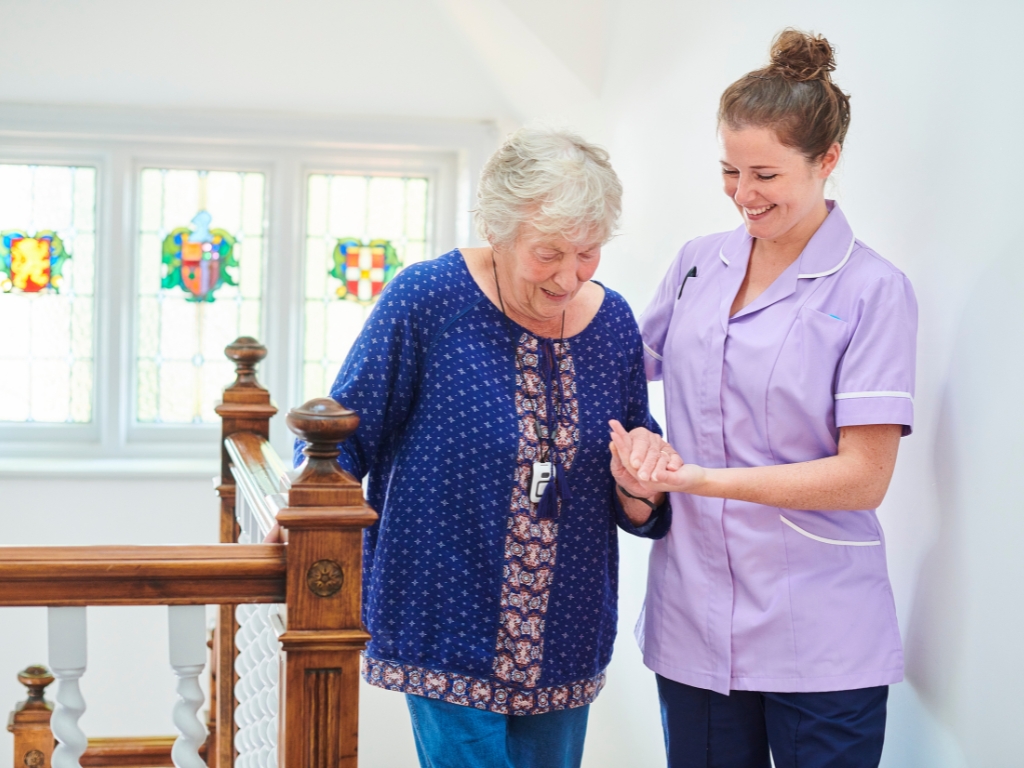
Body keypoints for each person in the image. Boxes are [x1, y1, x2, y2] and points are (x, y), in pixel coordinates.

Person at [305, 127, 671, 768]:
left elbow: (637, 472)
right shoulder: (427, 299)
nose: (568, 276)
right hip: (443, 612)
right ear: (497, 230)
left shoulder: (612, 322)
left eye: (588, 253)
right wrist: (301, 532)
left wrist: (641, 483)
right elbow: (343, 440)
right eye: (548, 253)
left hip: (567, 622)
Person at [609, 30, 918, 768]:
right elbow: (619, 370)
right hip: (693, 620)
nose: (744, 194)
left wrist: (698, 480)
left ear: (828, 162)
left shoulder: (873, 290)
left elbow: (863, 477)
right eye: (729, 171)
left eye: (765, 174)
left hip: (820, 632)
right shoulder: (696, 266)